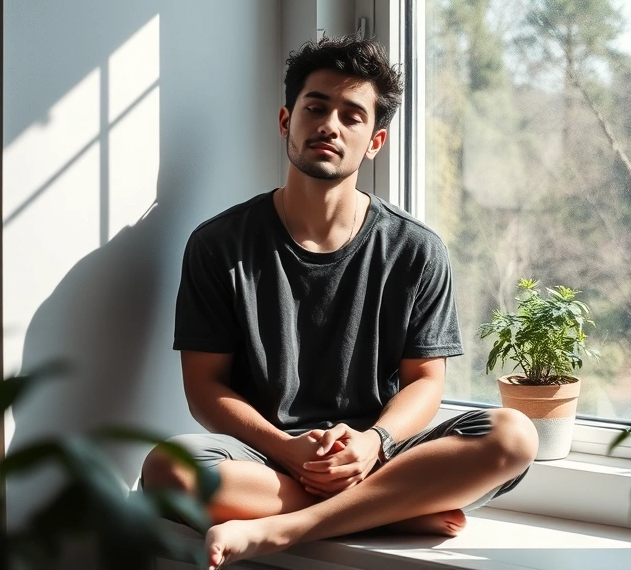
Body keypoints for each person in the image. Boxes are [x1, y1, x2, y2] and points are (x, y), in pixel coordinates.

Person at [141, 34, 538, 570]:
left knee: (514, 435)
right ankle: (393, 507)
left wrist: (374, 443)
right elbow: (205, 389)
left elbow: (426, 380)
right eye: (316, 107)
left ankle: (289, 527)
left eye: (352, 116)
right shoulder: (219, 245)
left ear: (374, 142)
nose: (329, 124)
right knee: (169, 468)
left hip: (380, 455)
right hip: (270, 459)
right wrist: (289, 448)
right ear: (287, 121)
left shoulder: (416, 249)